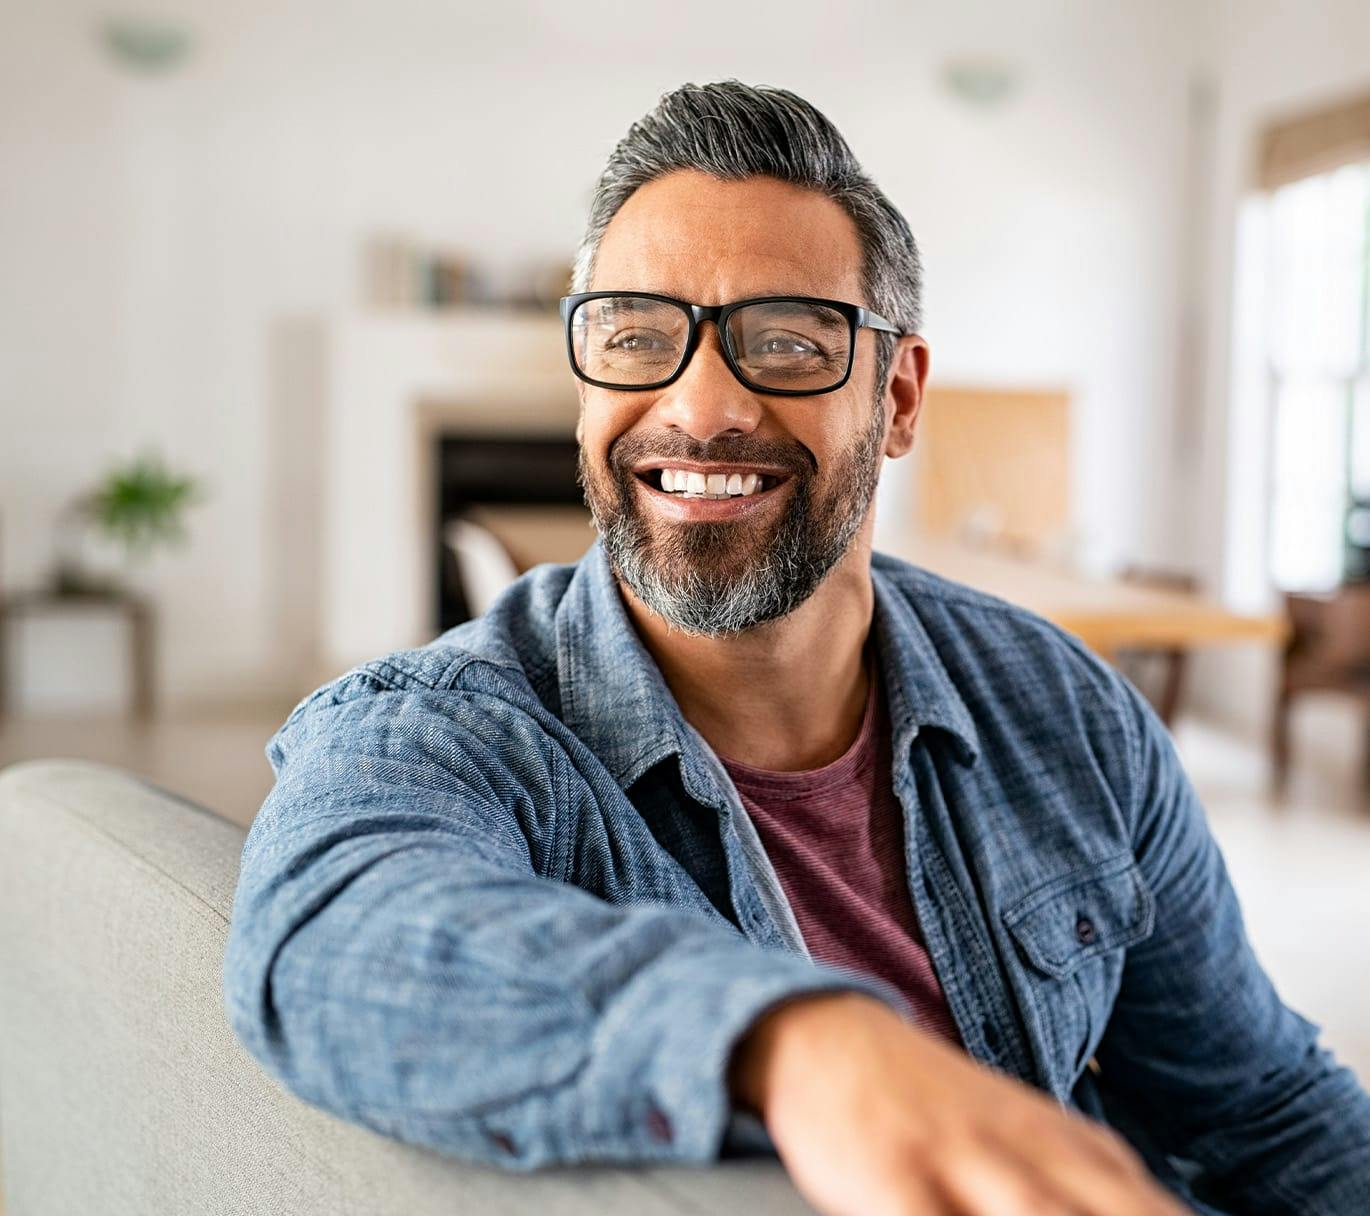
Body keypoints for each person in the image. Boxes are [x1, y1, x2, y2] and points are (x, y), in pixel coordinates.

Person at [224, 81, 1370, 1215]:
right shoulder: (447, 728)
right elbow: (327, 939)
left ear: (900, 396)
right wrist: (796, 1043)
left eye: (784, 341)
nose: (701, 405)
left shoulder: (1064, 708)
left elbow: (1260, 1110)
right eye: (635, 335)